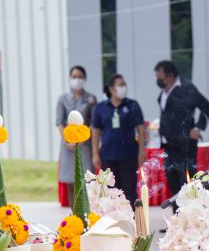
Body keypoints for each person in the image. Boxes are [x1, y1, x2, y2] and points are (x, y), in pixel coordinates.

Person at [154, 60, 209, 207]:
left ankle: (190, 219)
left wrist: (198, 128)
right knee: (172, 181)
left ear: (170, 75)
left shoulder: (187, 88)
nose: (158, 81)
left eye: (160, 77)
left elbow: (206, 107)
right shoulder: (165, 90)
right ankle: (177, 220)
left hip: (185, 144)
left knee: (186, 182)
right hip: (168, 144)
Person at [91, 74, 146, 206]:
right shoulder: (101, 107)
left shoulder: (132, 105)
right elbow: (96, 131)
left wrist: (142, 151)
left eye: (124, 85)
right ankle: (114, 222)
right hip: (108, 155)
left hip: (128, 154)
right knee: (111, 190)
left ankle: (131, 222)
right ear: (111, 89)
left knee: (129, 190)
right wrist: (95, 154)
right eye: (120, 85)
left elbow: (141, 128)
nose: (123, 88)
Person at [56, 65, 97, 209]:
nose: (77, 80)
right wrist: (67, 140)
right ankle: (75, 214)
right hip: (68, 146)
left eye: (80, 77)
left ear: (84, 79)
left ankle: (87, 212)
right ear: (69, 79)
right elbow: (59, 122)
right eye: (74, 77)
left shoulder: (91, 98)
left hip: (85, 144)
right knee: (71, 181)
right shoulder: (63, 99)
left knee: (86, 180)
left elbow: (93, 122)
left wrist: (83, 138)